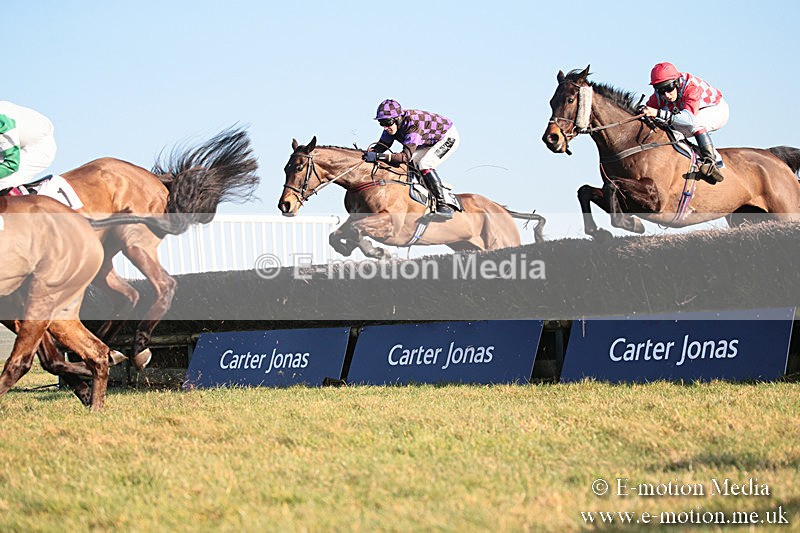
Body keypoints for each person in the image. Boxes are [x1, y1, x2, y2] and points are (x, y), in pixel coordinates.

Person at [363, 99, 460, 219]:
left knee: (424, 164)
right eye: (381, 123)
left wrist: (378, 156)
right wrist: (367, 154)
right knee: (413, 163)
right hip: (428, 139)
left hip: (447, 137)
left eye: (387, 122)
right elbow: (383, 145)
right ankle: (425, 197)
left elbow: (404, 156)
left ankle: (443, 203)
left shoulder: (413, 124)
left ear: (397, 118)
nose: (385, 127)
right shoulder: (391, 126)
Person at [642, 62, 728, 182]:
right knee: (666, 128)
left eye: (669, 88)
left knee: (695, 123)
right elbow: (646, 112)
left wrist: (658, 113)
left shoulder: (691, 87)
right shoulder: (658, 96)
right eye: (661, 90)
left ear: (676, 82)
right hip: (690, 114)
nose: (666, 95)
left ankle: (713, 162)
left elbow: (688, 120)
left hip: (716, 110)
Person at [0, 101, 57, 195]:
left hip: (38, 146)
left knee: (2, 181)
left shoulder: (2, 121)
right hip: (13, 143)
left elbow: (11, 164)